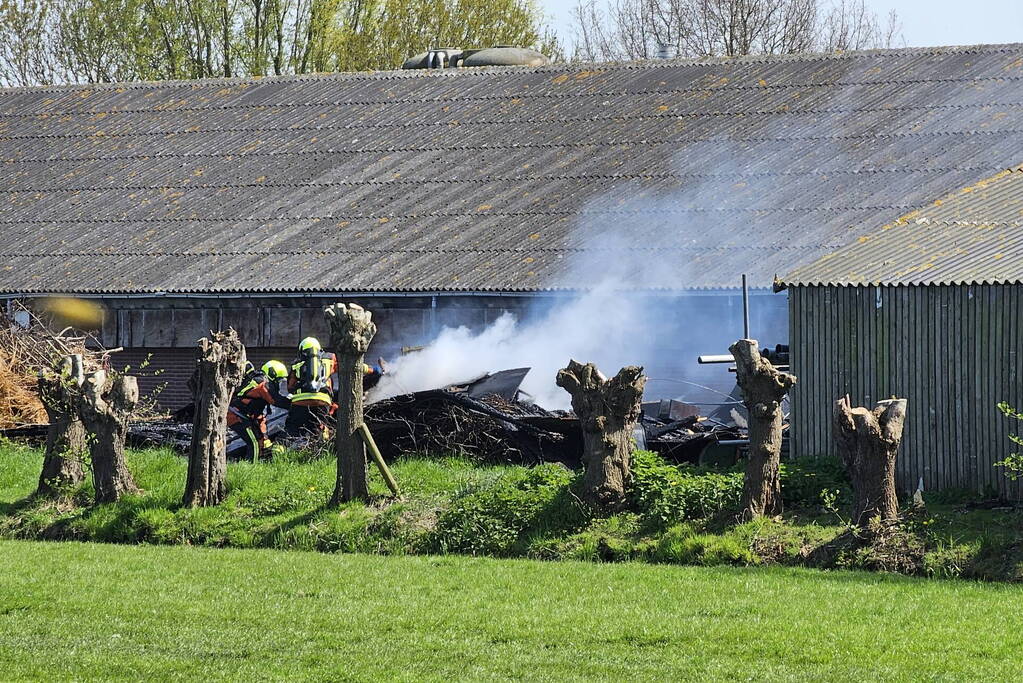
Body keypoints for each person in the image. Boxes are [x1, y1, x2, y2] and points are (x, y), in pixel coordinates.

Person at [228, 360, 291, 461]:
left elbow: (259, 415)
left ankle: (258, 464)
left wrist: (263, 434)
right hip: (235, 415)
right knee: (254, 443)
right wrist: (296, 404)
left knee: (261, 441)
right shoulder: (261, 383)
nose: (280, 384)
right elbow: (275, 400)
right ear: (272, 374)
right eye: (279, 380)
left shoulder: (258, 382)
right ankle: (250, 468)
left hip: (245, 416)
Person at [286, 337, 337, 438]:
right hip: (322, 401)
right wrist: (372, 371)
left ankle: (283, 450)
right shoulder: (330, 359)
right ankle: (323, 449)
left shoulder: (296, 364)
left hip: (300, 401)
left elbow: (290, 387)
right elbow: (348, 368)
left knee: (291, 431)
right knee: (321, 429)